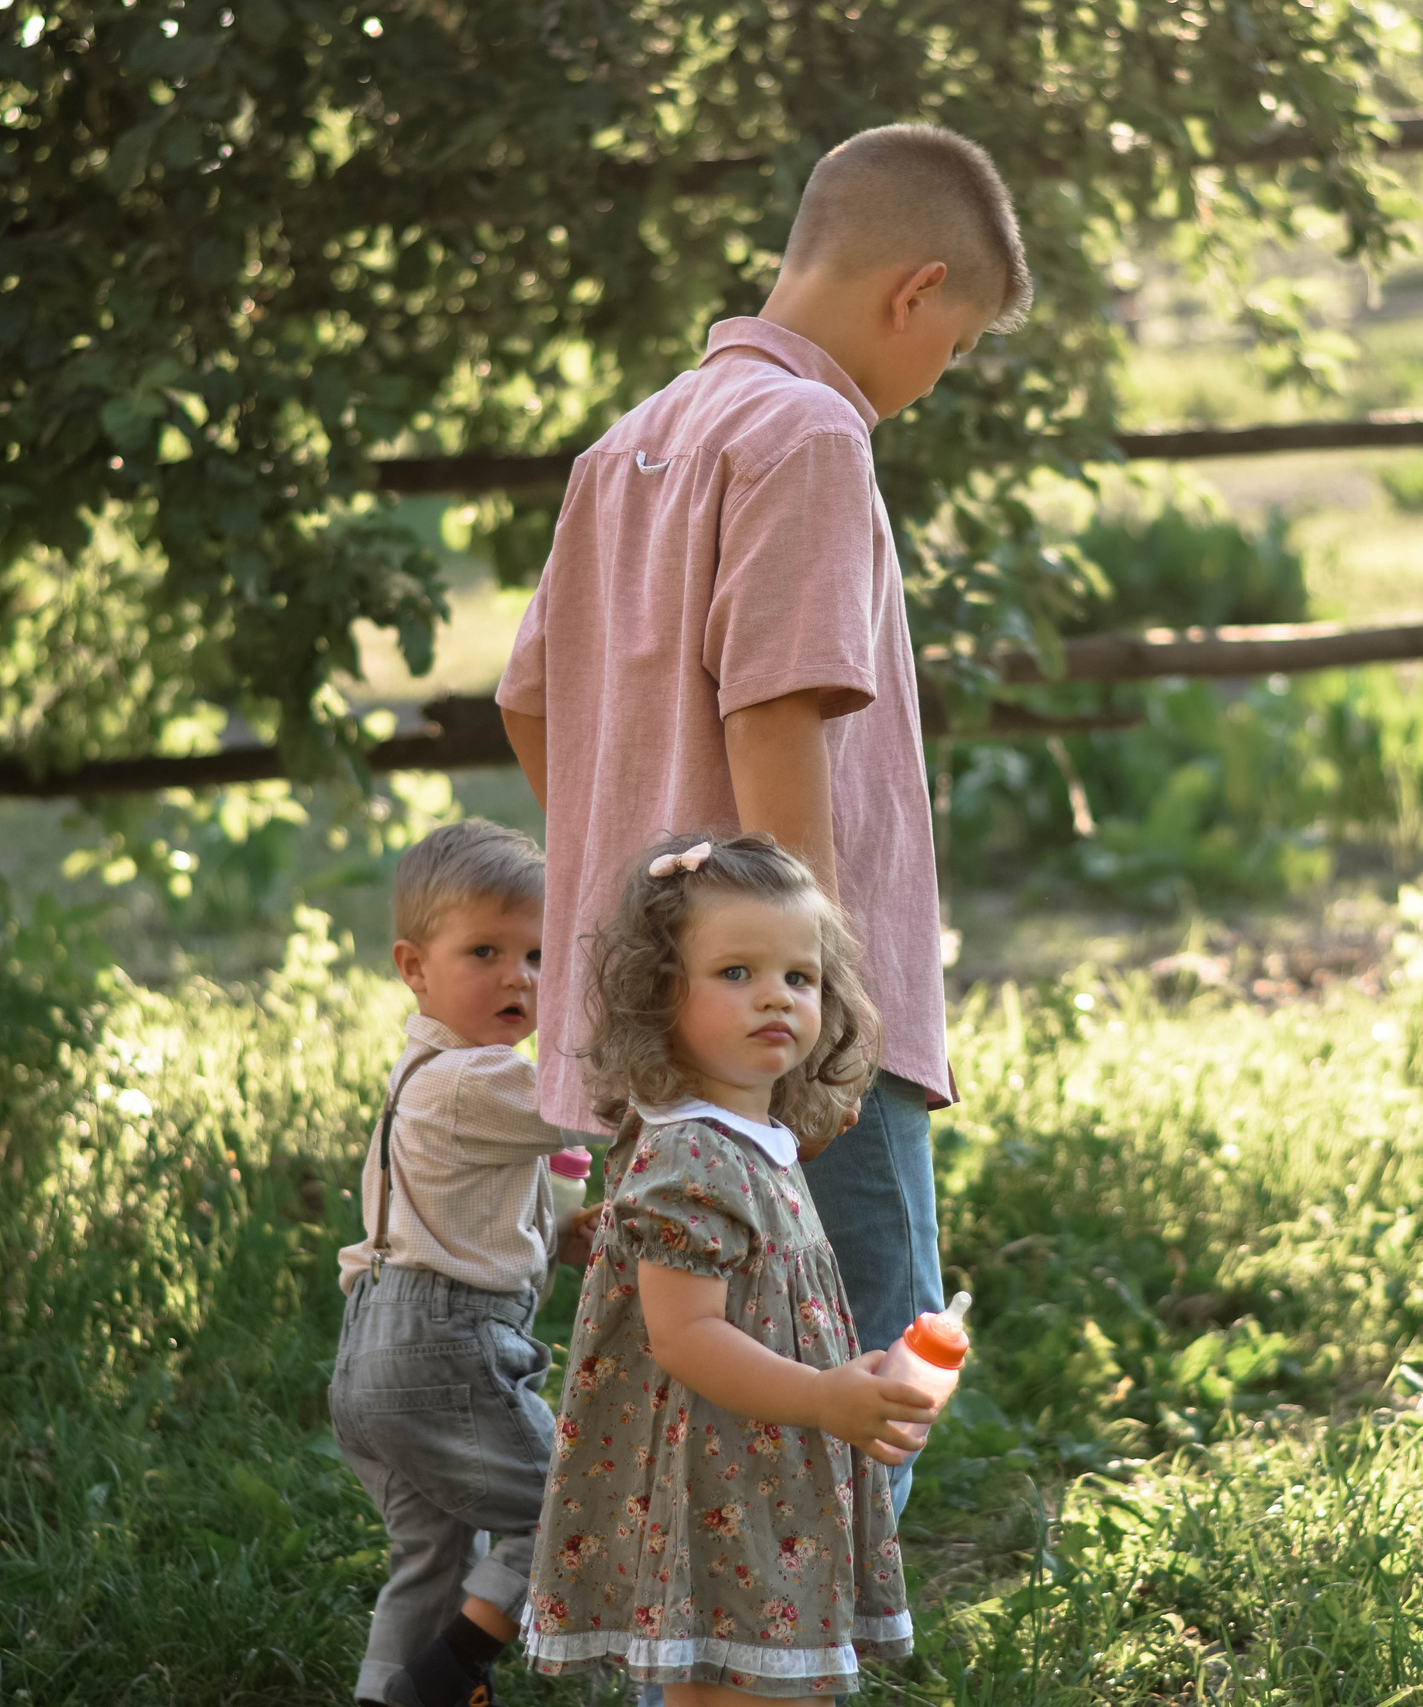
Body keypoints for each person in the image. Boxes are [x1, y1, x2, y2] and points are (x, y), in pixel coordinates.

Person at [495, 121, 1033, 1521]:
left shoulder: (634, 439)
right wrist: (820, 996)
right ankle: (800, 1670)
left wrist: (656, 930)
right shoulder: (810, 435)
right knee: (871, 1360)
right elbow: (778, 718)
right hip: (788, 1018)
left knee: (699, 1375)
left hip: (662, 1009)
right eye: (956, 344)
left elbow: (531, 707)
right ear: (913, 291)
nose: (937, 377)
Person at [521, 832, 936, 1701]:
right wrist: (823, 1397)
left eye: (800, 976)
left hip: (762, 1462)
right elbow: (685, 1337)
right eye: (736, 973)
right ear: (660, 995)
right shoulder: (692, 1157)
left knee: (781, 1675)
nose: (775, 997)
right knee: (729, 1677)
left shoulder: (759, 1139)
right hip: (714, 1475)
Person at [329, 820, 597, 1707]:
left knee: (433, 1553)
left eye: (538, 954)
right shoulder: (478, 1079)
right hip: (442, 1350)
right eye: (486, 950)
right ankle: (446, 1677)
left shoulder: (424, 1079)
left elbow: (459, 1212)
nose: (519, 977)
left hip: (370, 1353)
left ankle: (386, 1695)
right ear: (414, 966)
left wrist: (560, 1233)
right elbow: (591, 1104)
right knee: (572, 1509)